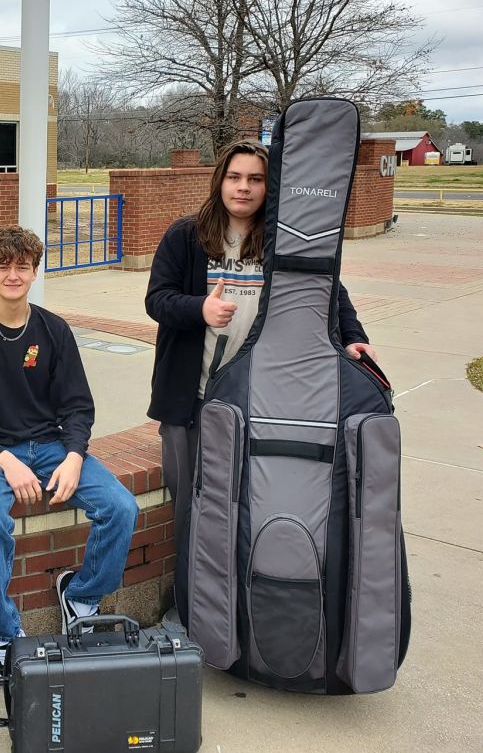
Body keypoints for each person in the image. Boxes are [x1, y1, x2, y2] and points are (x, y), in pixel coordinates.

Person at [145, 140, 377, 625]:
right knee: (193, 508)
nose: (244, 187)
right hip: (193, 401)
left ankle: (243, 612)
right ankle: (192, 610)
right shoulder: (187, 236)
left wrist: (354, 339)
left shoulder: (285, 241)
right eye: (235, 177)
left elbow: (331, 293)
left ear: (269, 187)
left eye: (255, 179)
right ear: (220, 180)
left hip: (259, 402)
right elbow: (158, 300)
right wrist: (200, 309)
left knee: (248, 506)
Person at [0, 225, 139, 680]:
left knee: (121, 507)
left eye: (22, 266)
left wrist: (73, 455)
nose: (13, 275)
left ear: (34, 271)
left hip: (51, 447)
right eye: (3, 266)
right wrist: (5, 460)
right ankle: (3, 632)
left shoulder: (54, 330)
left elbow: (77, 405)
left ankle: (82, 596)